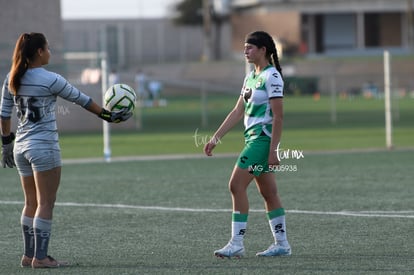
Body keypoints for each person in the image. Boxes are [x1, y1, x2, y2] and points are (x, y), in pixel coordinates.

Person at [0, 32, 131, 268]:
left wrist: (6, 143)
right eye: (48, 48)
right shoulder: (50, 79)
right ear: (39, 52)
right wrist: (109, 116)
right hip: (43, 148)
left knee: (30, 202)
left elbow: (3, 114)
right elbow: (83, 100)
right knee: (46, 203)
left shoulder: (11, 77)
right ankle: (40, 258)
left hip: (20, 148)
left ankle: (29, 255)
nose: (50, 52)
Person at [203, 31, 291, 258]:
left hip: (262, 141)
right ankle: (282, 244)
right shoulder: (251, 77)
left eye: (250, 47)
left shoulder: (272, 77)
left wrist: (273, 150)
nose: (245, 51)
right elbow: (237, 111)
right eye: (244, 47)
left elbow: (279, 117)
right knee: (269, 193)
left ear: (263, 50)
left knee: (235, 185)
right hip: (252, 139)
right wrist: (215, 138)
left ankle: (237, 243)